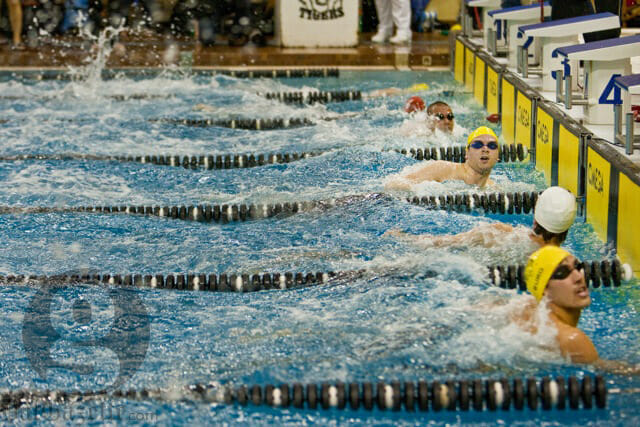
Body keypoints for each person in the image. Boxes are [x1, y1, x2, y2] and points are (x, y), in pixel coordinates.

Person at [519, 246, 638, 371]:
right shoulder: (573, 339)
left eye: (577, 267)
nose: (578, 277)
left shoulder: (527, 313)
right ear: (545, 290)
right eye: (563, 272)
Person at [386, 186, 576, 251]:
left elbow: (441, 243)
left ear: (535, 217)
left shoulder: (499, 233)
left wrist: (405, 238)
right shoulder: (568, 264)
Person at [385, 126, 500, 190]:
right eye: (478, 145)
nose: (485, 149)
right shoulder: (443, 169)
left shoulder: (492, 188)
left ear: (498, 156)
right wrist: (423, 191)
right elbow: (393, 184)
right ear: (467, 153)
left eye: (492, 146)